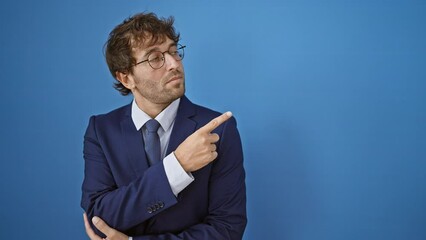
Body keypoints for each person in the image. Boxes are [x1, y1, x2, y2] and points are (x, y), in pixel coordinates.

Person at [81, 12, 247, 240]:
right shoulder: (101, 130)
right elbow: (98, 219)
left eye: (172, 51)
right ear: (126, 78)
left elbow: (227, 229)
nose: (173, 64)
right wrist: (176, 167)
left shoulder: (218, 130)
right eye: (155, 58)